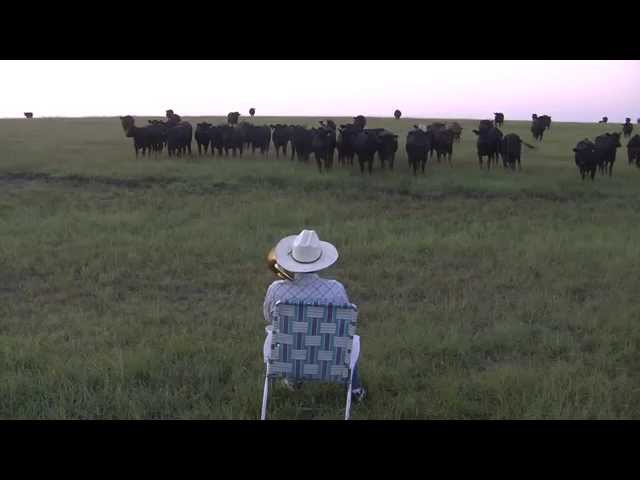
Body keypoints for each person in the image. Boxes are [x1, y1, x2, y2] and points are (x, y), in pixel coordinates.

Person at [263, 229, 366, 402]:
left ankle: (294, 378)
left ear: (292, 259)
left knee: (286, 336)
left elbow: (268, 318)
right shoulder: (336, 289)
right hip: (329, 358)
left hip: (288, 357)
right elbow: (344, 327)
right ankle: (355, 390)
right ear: (320, 260)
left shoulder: (276, 289)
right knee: (350, 340)